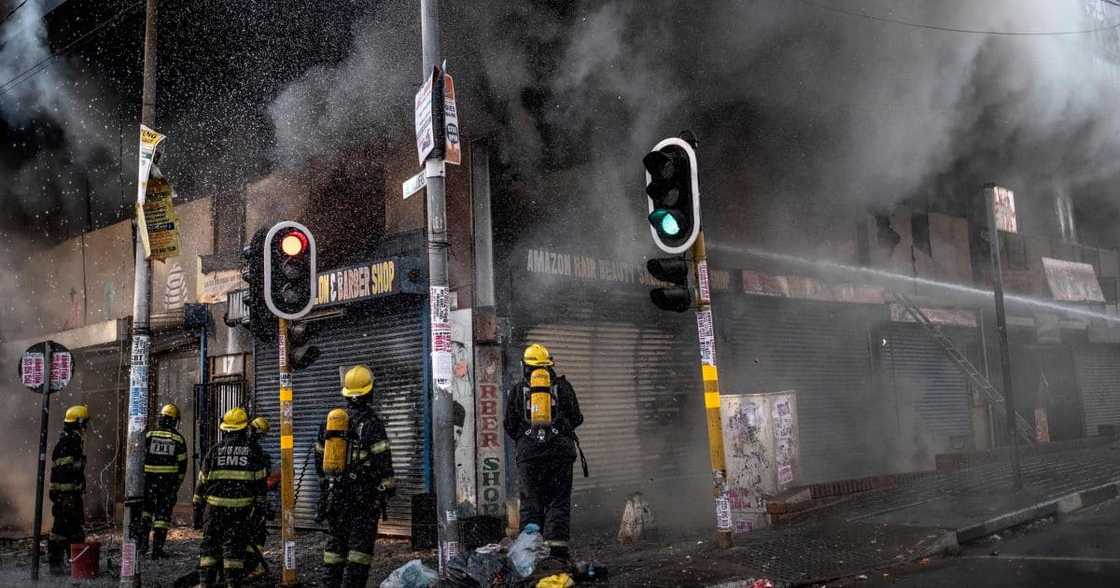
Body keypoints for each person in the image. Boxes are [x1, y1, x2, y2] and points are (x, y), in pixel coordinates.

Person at [314, 364, 395, 588]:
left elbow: (319, 461)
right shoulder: (371, 423)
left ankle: (330, 584)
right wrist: (387, 488)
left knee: (335, 548)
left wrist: (326, 488)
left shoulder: (330, 423)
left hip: (336, 497)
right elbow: (383, 460)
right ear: (369, 392)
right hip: (363, 498)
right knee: (359, 552)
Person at [504, 343, 583, 562]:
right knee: (558, 500)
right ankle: (557, 554)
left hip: (530, 457)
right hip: (560, 454)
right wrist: (557, 430)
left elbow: (509, 425)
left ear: (525, 366)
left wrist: (528, 439)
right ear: (549, 365)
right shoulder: (564, 387)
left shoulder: (518, 390)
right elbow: (577, 418)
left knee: (531, 502)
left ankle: (530, 554)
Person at [193, 407, 269, 588]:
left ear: (225, 429)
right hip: (239, 511)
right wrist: (260, 507)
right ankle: (232, 583)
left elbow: (202, 481)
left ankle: (205, 583)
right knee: (234, 548)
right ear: (244, 429)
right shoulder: (253, 452)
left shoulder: (214, 451)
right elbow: (260, 485)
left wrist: (197, 506)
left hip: (214, 510)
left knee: (209, 547)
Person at [138, 403, 188, 558]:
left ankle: (142, 547)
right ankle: (157, 550)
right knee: (162, 517)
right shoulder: (177, 439)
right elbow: (182, 465)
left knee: (145, 513)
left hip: (148, 482)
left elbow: (139, 457)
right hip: (167, 485)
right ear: (174, 420)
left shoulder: (149, 435)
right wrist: (176, 485)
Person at [47, 404, 90, 575]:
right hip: (66, 496)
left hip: (69, 495)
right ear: (78, 422)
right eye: (84, 422)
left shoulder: (72, 440)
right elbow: (63, 472)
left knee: (71, 530)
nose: (85, 426)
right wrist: (67, 497)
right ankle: (60, 566)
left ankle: (71, 565)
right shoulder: (69, 442)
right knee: (64, 530)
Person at [244, 416, 272, 578]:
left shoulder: (235, 446)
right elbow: (261, 482)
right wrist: (262, 504)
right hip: (249, 500)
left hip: (234, 500)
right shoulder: (257, 452)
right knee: (257, 533)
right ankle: (249, 566)